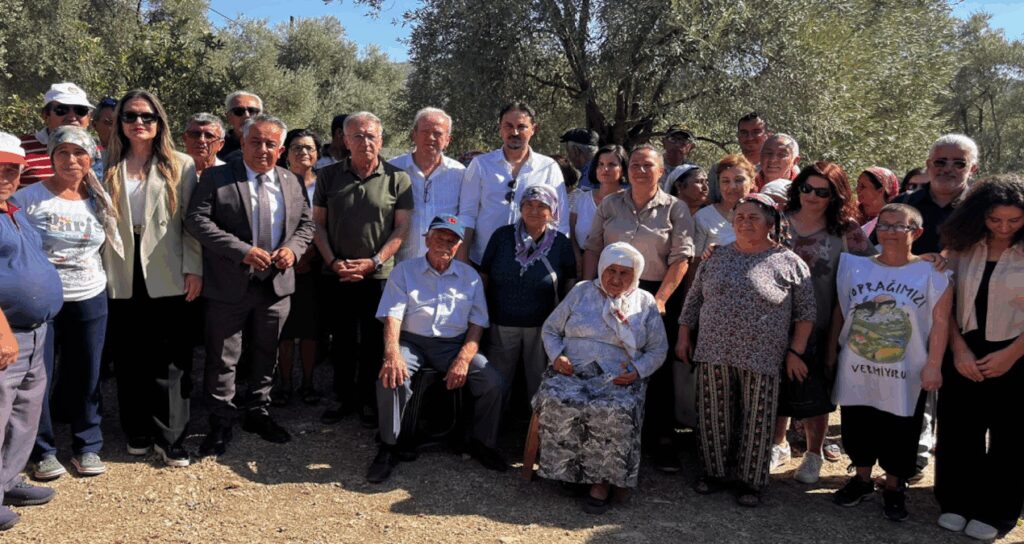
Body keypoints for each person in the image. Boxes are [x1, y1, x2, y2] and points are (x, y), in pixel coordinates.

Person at [185, 114, 315, 456]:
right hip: (229, 284)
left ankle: (258, 411)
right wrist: (241, 251)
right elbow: (196, 220)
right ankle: (220, 421)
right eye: (255, 141)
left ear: (281, 149)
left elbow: (305, 226)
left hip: (275, 286)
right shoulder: (217, 177)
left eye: (270, 144)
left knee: (266, 351)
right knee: (223, 357)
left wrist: (293, 250)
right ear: (241, 143)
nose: (262, 149)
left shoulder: (291, 181)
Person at [676, 193, 815, 507]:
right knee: (712, 414)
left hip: (762, 356)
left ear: (770, 222)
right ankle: (714, 474)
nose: (745, 222)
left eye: (753, 217)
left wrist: (796, 351)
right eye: (739, 217)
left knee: (758, 418)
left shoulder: (789, 261)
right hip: (713, 350)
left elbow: (806, 314)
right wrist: (684, 336)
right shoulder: (717, 256)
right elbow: (694, 300)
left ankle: (750, 481)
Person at [830, 203, 952, 522]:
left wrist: (934, 364)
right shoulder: (854, 267)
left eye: (900, 226)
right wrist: (831, 350)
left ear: (917, 233)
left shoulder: (933, 273)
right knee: (858, 420)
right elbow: (841, 311)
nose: (891, 232)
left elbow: (941, 323)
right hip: (857, 364)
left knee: (902, 427)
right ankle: (862, 478)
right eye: (885, 225)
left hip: (907, 368)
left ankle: (895, 486)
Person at [101, 90, 202, 467]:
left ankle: (172, 436)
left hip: (168, 267)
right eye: (130, 116)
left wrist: (195, 268)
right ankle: (138, 432)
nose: (138, 123)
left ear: (160, 122)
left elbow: (191, 223)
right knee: (129, 356)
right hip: (121, 270)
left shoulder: (181, 164)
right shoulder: (106, 164)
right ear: (120, 123)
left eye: (147, 116)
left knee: (172, 356)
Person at [16, 126, 122, 479]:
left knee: (88, 373)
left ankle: (87, 445)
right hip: (42, 302)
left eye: (79, 153)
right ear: (51, 157)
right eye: (63, 152)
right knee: (39, 377)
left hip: (90, 295)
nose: (71, 160)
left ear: (91, 157)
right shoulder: (27, 198)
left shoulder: (99, 197)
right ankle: (43, 450)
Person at [583, 144, 695, 473]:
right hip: (610, 290)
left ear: (662, 172)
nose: (640, 170)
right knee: (611, 361)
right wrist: (588, 289)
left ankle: (661, 439)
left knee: (654, 369)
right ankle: (612, 435)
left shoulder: (676, 209)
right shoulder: (610, 205)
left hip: (655, 294)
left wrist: (659, 300)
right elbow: (593, 247)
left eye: (648, 165)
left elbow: (681, 259)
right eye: (634, 164)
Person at [534, 242, 668, 514]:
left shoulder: (644, 301)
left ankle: (602, 482)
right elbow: (550, 330)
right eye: (611, 271)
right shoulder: (582, 291)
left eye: (624, 273)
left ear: (636, 275)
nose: (616, 279)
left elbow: (658, 348)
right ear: (601, 268)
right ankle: (569, 472)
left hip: (618, 377)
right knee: (556, 400)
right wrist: (557, 355)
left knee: (613, 410)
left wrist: (638, 371)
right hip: (573, 371)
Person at [369, 214, 504, 482]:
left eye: (452, 240)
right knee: (391, 378)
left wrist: (464, 359)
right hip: (411, 340)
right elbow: (392, 316)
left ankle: (482, 443)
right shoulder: (405, 271)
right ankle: (389, 446)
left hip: (453, 345)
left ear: (459, 246)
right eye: (440, 237)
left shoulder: (470, 277)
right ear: (427, 239)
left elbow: (477, 323)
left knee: (492, 382)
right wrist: (392, 354)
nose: (445, 243)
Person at [770, 161, 876, 484]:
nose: (812, 196)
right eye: (806, 188)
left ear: (835, 196)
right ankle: (778, 444)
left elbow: (873, 270)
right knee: (776, 386)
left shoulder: (846, 231)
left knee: (818, 388)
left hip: (824, 323)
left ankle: (814, 453)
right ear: (796, 188)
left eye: (822, 191)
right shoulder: (777, 222)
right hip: (774, 320)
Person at [935, 175, 1024, 541]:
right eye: (994, 219)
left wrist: (1011, 355)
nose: (1004, 227)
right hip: (964, 350)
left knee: (1011, 436)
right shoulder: (961, 245)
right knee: (958, 429)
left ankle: (998, 511)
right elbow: (946, 302)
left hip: (1017, 354)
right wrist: (958, 348)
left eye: (1014, 220)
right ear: (979, 215)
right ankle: (956, 500)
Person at [312, 112, 412, 426]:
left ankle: (369, 400)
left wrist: (375, 262)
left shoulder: (398, 178)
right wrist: (332, 261)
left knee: (373, 340)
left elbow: (402, 229)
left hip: (379, 276)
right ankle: (343, 398)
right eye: (357, 135)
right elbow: (317, 225)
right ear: (344, 139)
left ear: (381, 140)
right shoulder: (328, 177)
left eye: (371, 136)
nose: (364, 141)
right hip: (337, 273)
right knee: (341, 340)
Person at [894, 134, 979, 477]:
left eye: (958, 163)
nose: (948, 169)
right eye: (940, 162)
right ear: (928, 165)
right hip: (909, 318)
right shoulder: (904, 205)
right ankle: (902, 465)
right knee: (908, 394)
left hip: (970, 318)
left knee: (960, 405)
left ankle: (957, 480)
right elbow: (879, 255)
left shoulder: (984, 210)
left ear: (972, 168)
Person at [0, 132, 64, 530]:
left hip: (36, 331)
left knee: (24, 414)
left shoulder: (13, 209)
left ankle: (6, 481)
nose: (6, 175)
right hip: (8, 335)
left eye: (12, 169)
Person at [480, 185, 576, 405]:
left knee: (539, 380)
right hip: (501, 322)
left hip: (542, 326)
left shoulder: (560, 242)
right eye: (528, 205)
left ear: (551, 211)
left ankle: (535, 431)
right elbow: (484, 273)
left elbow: (569, 280)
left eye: (541, 206)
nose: (534, 210)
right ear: (520, 208)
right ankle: (494, 430)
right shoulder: (502, 236)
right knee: (498, 381)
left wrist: (563, 320)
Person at [457, 102, 569, 265]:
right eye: (508, 126)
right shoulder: (481, 165)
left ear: (533, 129)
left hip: (534, 262)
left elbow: (560, 220)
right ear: (500, 128)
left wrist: (556, 262)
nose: (514, 132)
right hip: (483, 260)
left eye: (521, 126)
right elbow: (467, 215)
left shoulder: (548, 167)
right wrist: (462, 259)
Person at [275, 128, 322, 406]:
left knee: (310, 328)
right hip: (282, 262)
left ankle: (308, 383)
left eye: (309, 148)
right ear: (285, 152)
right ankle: (284, 384)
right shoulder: (276, 182)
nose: (303, 153)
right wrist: (291, 253)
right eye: (296, 147)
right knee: (284, 329)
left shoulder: (325, 184)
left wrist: (311, 253)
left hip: (315, 266)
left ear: (317, 153)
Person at [389, 108, 465, 263]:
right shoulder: (393, 169)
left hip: (444, 267)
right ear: (414, 135)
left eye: (437, 133)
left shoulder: (460, 174)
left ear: (448, 140)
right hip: (401, 266)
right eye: (425, 131)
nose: (431, 137)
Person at [20, 83, 96, 186]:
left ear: (88, 118)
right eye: (62, 110)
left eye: (80, 110)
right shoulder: (20, 149)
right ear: (46, 116)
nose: (72, 117)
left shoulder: (97, 152)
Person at [571, 145, 626, 275]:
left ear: (623, 169)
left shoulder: (629, 201)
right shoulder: (580, 198)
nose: (605, 169)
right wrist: (577, 256)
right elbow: (571, 232)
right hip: (580, 267)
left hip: (616, 269)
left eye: (612, 164)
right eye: (600, 164)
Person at [692, 155, 754, 257]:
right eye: (725, 181)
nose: (732, 186)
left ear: (752, 182)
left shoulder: (762, 215)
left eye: (739, 180)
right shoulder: (703, 217)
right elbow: (693, 262)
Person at [708, 112, 768, 203]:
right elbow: (712, 202)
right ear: (738, 136)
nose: (750, 138)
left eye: (756, 132)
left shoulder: (775, 167)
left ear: (766, 135)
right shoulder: (719, 167)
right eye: (744, 133)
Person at [856, 167, 900, 240]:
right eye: (858, 185)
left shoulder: (898, 221)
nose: (857, 190)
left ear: (881, 191)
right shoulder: (853, 214)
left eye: (863, 186)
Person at [217, 91, 263, 161]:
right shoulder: (217, 146)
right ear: (229, 117)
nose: (247, 115)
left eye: (252, 111)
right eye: (239, 111)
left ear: (261, 116)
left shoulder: (274, 144)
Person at [182, 113, 226, 177]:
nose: (201, 140)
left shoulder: (228, 174)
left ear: (220, 145)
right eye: (195, 134)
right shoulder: (170, 170)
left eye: (209, 136)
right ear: (184, 139)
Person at [659, 127, 696, 192]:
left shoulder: (693, 171)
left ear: (691, 147)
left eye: (684, 141)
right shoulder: (652, 165)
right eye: (672, 139)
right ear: (664, 142)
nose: (677, 144)